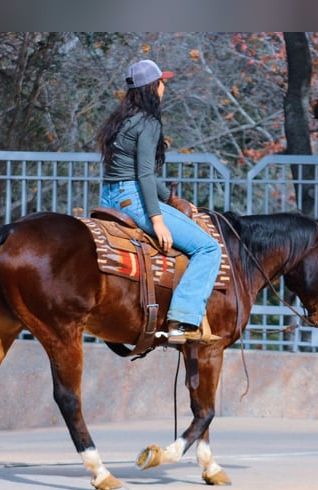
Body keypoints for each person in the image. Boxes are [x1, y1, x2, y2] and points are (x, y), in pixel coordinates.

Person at [97, 59, 222, 345]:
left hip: (110, 198)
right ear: (152, 87)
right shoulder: (149, 122)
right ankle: (184, 321)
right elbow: (143, 175)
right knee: (208, 248)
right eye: (162, 82)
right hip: (135, 199)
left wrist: (171, 199)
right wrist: (158, 220)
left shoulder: (121, 120)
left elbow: (133, 172)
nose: (165, 86)